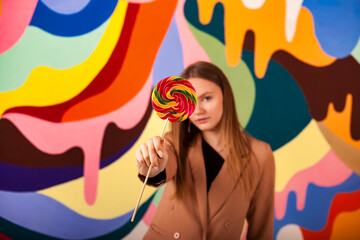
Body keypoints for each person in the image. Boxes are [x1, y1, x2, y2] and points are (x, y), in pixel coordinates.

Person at [135, 61, 275, 240]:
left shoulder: (260, 154)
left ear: (226, 97)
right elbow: (164, 164)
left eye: (207, 98)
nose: (198, 110)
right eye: (192, 101)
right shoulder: (172, 143)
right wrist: (152, 167)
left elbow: (261, 229)